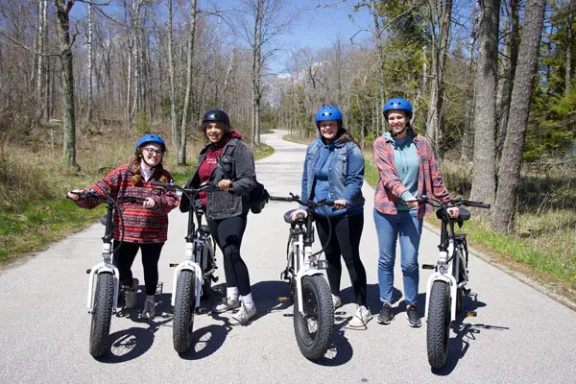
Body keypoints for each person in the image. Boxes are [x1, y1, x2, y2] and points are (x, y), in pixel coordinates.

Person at [68, 134, 179, 320]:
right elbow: (101, 189)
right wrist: (82, 195)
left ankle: (150, 300)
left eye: (158, 151)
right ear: (141, 151)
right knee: (121, 266)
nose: (154, 154)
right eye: (150, 150)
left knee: (150, 266)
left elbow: (172, 199)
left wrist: (157, 201)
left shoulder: (164, 176)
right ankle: (129, 286)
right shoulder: (123, 172)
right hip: (125, 231)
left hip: (153, 233)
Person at [373, 98, 459, 328]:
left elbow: (434, 175)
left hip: (413, 211)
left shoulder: (421, 143)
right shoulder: (381, 143)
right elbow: (387, 175)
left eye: (399, 117)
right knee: (386, 259)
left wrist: (446, 202)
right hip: (386, 211)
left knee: (410, 262)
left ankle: (411, 304)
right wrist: (405, 194)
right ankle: (387, 304)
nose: (395, 121)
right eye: (391, 118)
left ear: (408, 118)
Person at [290, 105, 371, 329]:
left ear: (338, 125)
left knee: (350, 257)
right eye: (323, 125)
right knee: (330, 255)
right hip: (320, 211)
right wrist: (303, 206)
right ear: (319, 126)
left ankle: (363, 307)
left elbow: (356, 179)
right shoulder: (313, 148)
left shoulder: (350, 149)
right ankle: (334, 295)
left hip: (347, 211)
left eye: (331, 124)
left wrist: (345, 197)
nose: (327, 128)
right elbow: (307, 179)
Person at [180, 109, 257, 326]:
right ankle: (232, 296)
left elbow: (249, 180)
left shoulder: (239, 149)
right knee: (224, 251)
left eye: (217, 126)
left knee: (232, 252)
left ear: (225, 127)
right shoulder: (206, 151)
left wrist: (232, 184)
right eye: (209, 127)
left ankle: (248, 304)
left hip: (233, 208)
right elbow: (201, 178)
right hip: (211, 209)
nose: (213, 130)